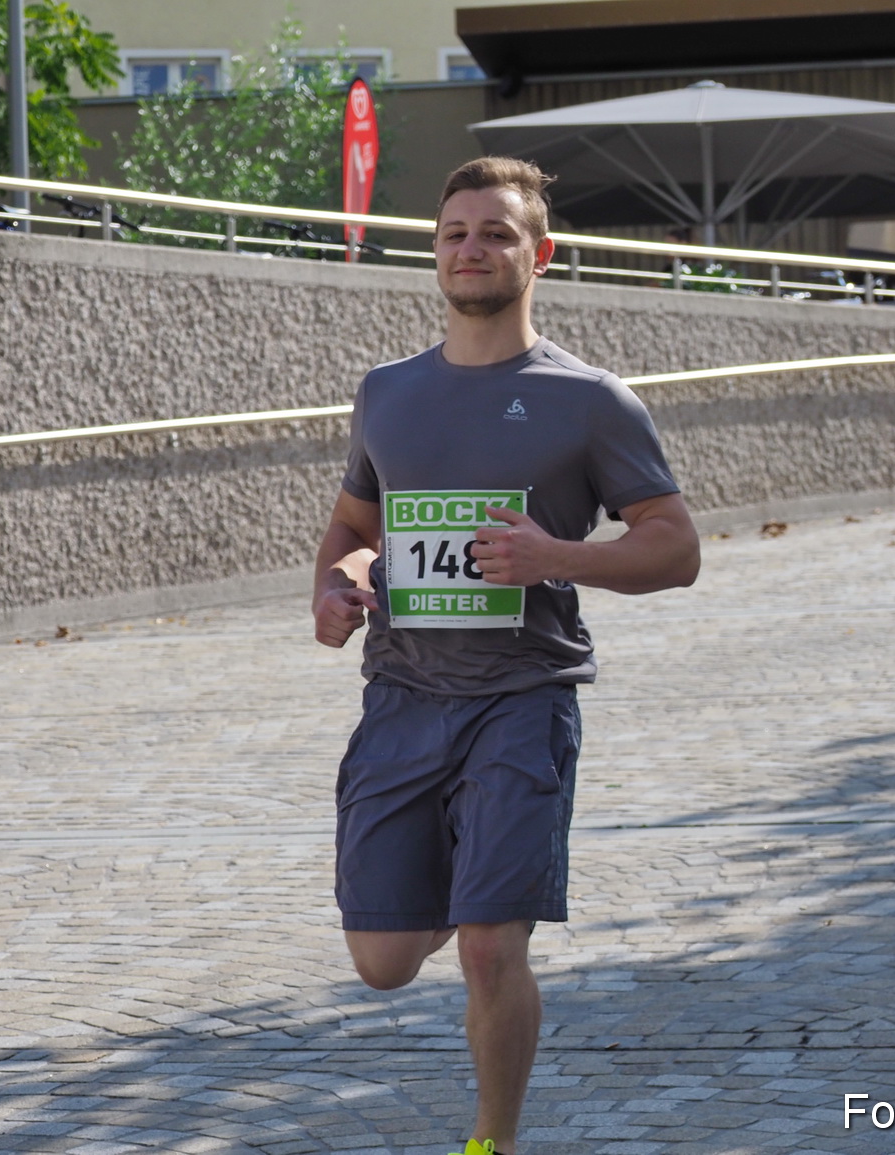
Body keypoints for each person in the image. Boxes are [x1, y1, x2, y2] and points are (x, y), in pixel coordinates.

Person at [311, 156, 700, 1155]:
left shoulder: (589, 400)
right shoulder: (387, 392)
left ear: (540, 253)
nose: (471, 249)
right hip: (401, 695)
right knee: (383, 959)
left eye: (494, 233)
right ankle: (466, 874)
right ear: (433, 252)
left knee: (489, 948)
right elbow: (355, 522)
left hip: (522, 698)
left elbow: (674, 545)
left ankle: (493, 1140)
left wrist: (555, 557)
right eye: (453, 234)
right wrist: (336, 582)